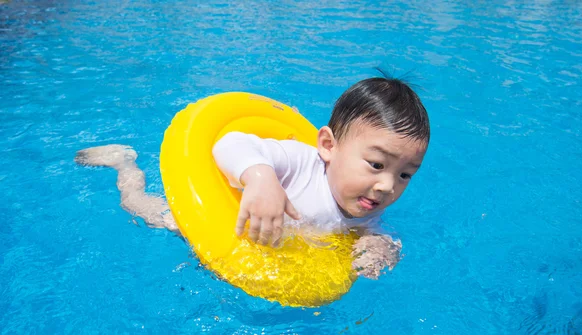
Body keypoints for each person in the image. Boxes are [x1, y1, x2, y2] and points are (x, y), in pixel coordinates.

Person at [75, 76, 429, 279]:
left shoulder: (366, 203)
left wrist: (381, 245)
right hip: (208, 221)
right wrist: (261, 178)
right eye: (376, 165)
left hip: (267, 253)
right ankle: (122, 163)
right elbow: (229, 144)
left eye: (406, 175)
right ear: (328, 146)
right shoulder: (300, 162)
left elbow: (369, 231)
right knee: (136, 206)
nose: (388, 186)